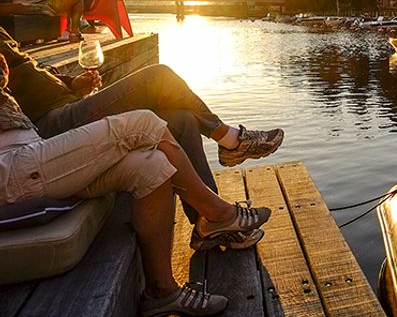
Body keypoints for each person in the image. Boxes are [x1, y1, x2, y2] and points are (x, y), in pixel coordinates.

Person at [0, 53, 270, 315]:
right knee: (144, 122)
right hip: (12, 167)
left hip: (33, 152)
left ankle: (162, 292)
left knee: (151, 165)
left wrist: (69, 83)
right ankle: (219, 212)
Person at [0, 25, 284, 250]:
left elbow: (33, 73)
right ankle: (232, 141)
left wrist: (72, 83)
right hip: (49, 126)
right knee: (158, 78)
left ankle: (208, 225)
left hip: (68, 105)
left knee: (182, 121)